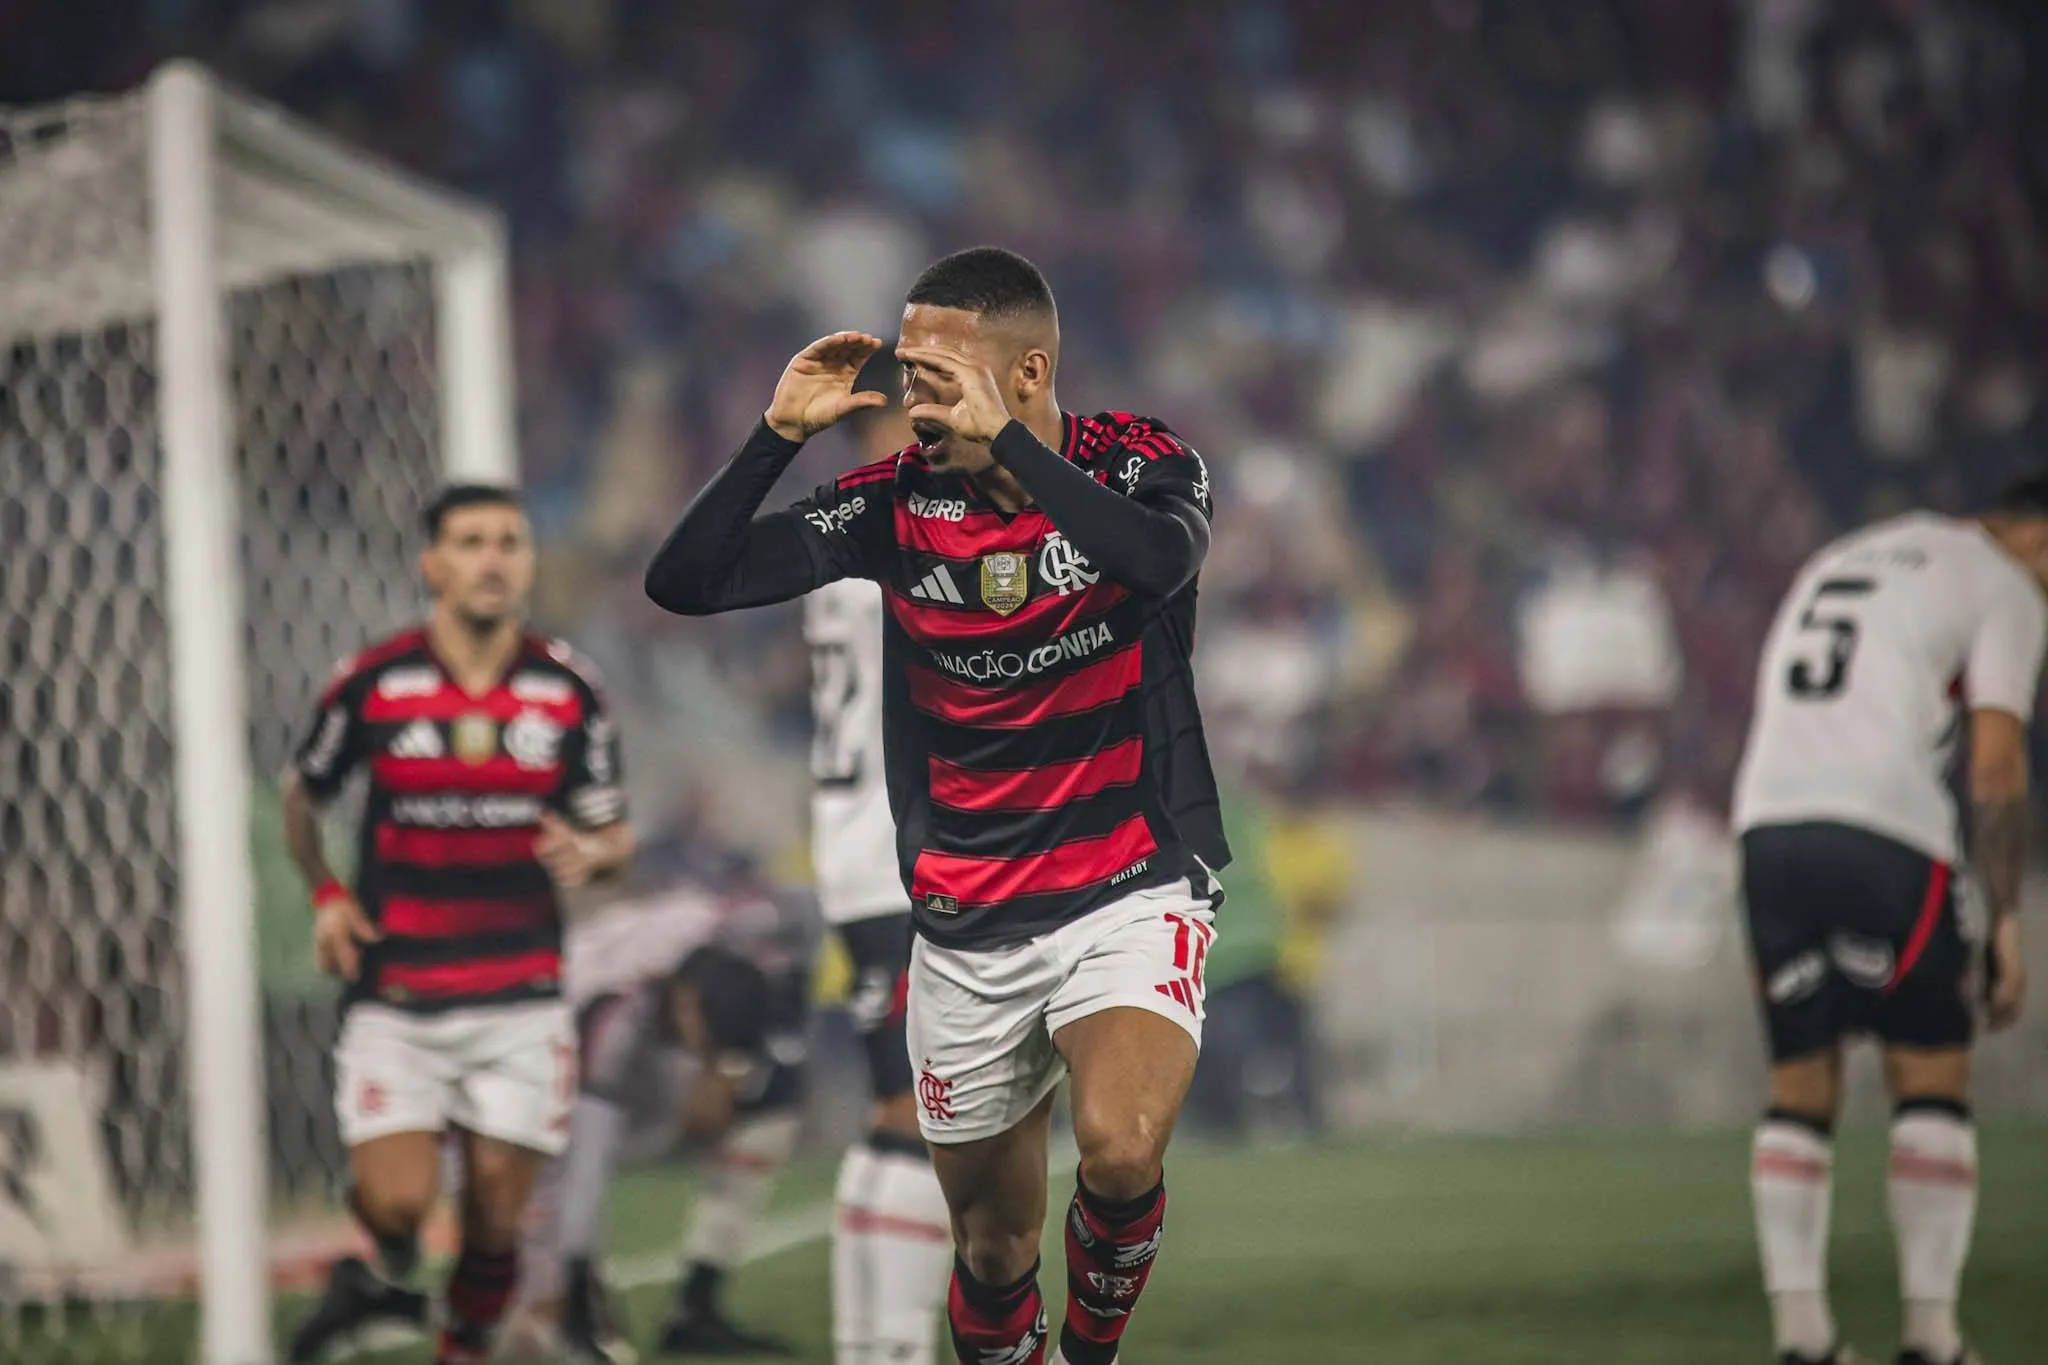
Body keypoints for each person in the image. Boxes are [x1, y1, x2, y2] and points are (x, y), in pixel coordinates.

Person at [646, 246, 1229, 1365]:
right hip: (964, 924)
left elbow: (1155, 560)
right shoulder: (892, 508)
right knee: (993, 1249)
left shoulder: (1141, 462)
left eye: (935, 372)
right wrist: (776, 436)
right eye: (906, 370)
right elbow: (687, 582)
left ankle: (1088, 1356)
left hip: (1127, 886)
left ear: (1026, 373)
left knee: (1116, 1150)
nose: (911, 396)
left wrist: (1011, 448)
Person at [283, 484, 635, 1365]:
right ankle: (384, 1267)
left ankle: (464, 1345)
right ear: (432, 564)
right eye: (470, 541)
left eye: (509, 541)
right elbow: (303, 795)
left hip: (520, 993)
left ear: (527, 561)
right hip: (398, 991)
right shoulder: (373, 682)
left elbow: (613, 829)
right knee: (398, 1202)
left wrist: (596, 856)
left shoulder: (567, 688)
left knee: (494, 1214)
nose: (491, 558)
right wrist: (327, 893)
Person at [1732, 476, 2047, 1365]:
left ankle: (1803, 1339)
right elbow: (1994, 766)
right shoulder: (2004, 585)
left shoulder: (1843, 556)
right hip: (1884, 830)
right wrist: (2006, 921)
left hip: (1767, 826)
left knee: (1799, 1078)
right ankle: (1932, 1338)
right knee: (1930, 1067)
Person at [810, 571, 955, 1365]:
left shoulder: (838, 552)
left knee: (886, 1118)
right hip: (904, 852)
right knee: (923, 1111)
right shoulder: (899, 547)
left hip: (854, 852)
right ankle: (899, 1349)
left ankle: (863, 1346)